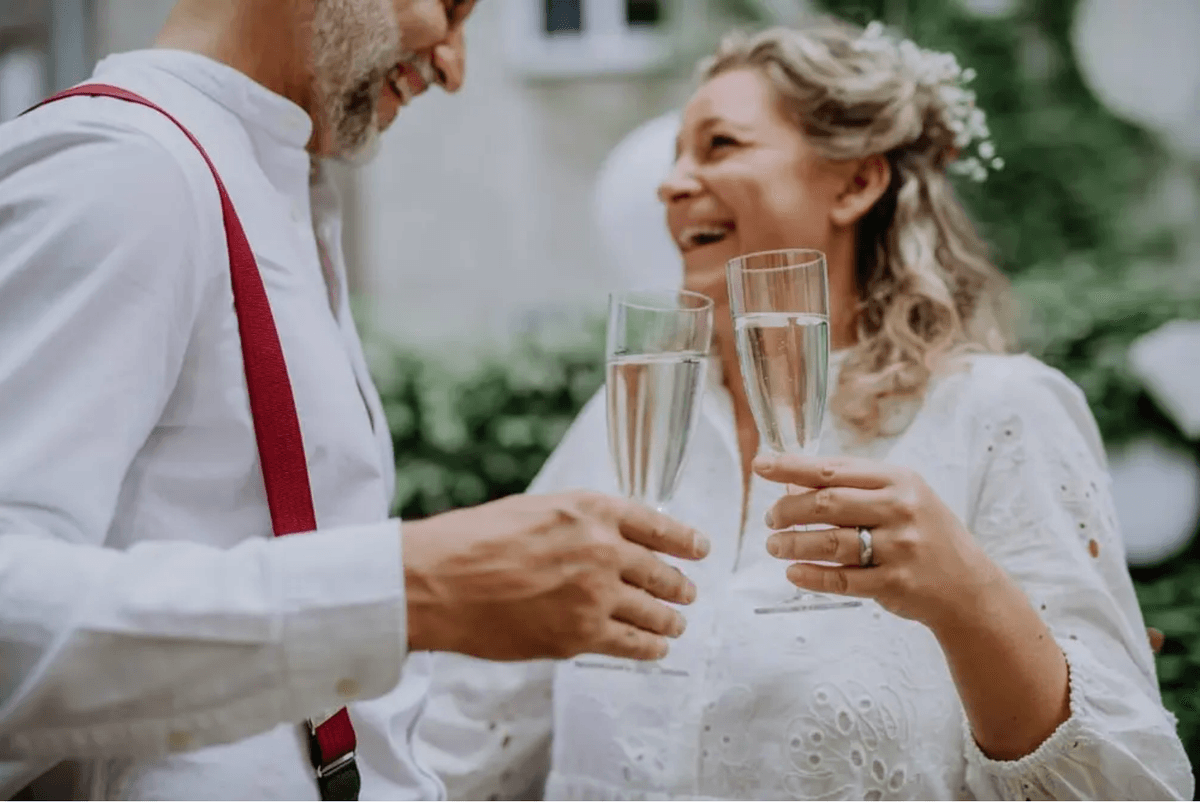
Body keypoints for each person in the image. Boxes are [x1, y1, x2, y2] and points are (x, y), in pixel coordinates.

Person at [413, 17, 1195, 800]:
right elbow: (459, 735)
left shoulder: (999, 414)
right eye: (677, 153)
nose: (671, 180)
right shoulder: (624, 426)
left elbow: (1129, 788)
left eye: (720, 145)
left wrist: (966, 596)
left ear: (855, 182)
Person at [0, 0, 712, 799]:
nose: (453, 64)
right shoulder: (124, 170)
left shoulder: (276, 181)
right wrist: (416, 587)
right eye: (448, 7)